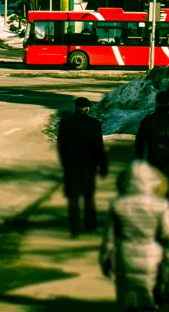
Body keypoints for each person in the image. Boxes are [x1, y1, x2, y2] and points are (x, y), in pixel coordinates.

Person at [100, 159, 169, 311]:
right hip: (151, 255)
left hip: (124, 255)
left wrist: (105, 260)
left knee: (127, 298)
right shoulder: (160, 205)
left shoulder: (118, 204)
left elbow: (109, 238)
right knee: (148, 298)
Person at [57, 96, 108, 237]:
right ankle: (90, 225)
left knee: (73, 198)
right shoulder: (94, 124)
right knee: (88, 197)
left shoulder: (65, 123)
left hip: (72, 166)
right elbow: (99, 148)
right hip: (88, 166)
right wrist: (103, 166)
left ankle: (74, 226)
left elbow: (61, 146)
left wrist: (65, 163)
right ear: (87, 109)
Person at [134, 90, 169, 203]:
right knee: (168, 187)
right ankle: (166, 211)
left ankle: (152, 211)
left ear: (156, 103)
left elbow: (140, 141)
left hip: (152, 158)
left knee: (152, 186)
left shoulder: (148, 121)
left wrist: (140, 157)